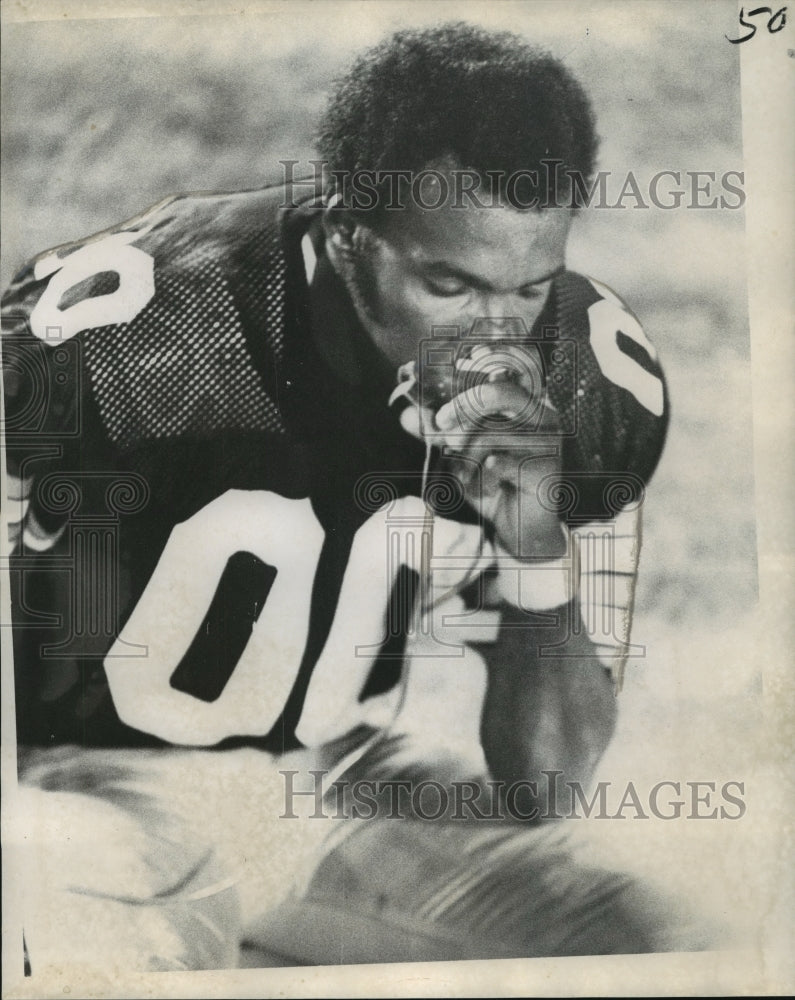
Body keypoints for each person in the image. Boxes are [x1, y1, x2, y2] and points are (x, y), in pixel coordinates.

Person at [3, 22, 708, 975]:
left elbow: (545, 787)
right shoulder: (141, 332)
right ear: (345, 231)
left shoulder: (590, 386)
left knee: (663, 952)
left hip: (345, 783)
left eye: (531, 288)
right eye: (447, 283)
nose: (495, 335)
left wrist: (532, 546)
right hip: (97, 788)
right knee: (72, 959)